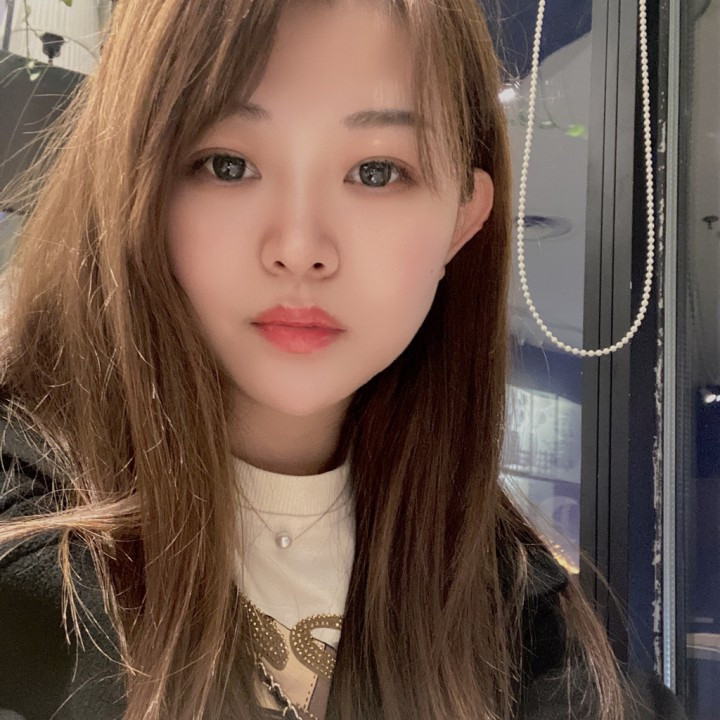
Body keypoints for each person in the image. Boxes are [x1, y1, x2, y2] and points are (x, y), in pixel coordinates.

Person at [0, 1, 686, 719]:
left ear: (463, 219)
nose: (300, 248)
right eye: (228, 165)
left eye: (377, 172)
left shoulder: (524, 625)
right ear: (131, 183)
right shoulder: (25, 561)